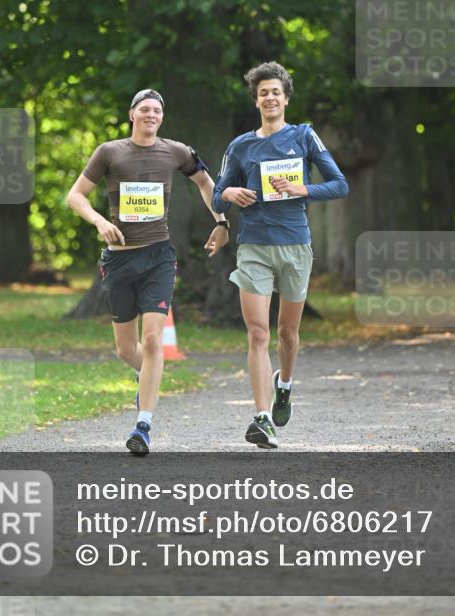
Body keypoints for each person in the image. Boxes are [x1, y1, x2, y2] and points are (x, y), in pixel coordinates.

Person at [67, 89, 229, 455]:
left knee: (154, 341)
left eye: (157, 110)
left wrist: (221, 221)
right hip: (119, 260)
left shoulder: (176, 151)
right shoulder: (109, 152)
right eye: (144, 109)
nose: (151, 115)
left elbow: (206, 183)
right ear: (132, 114)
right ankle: (150, 379)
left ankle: (143, 426)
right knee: (127, 349)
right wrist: (99, 222)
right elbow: (75, 196)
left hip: (158, 257)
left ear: (162, 117)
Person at [212, 62, 348, 449]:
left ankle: (284, 384)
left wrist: (303, 189)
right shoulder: (240, 146)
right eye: (263, 93)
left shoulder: (304, 136)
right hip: (254, 245)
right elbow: (217, 194)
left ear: (286, 98)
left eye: (275, 92)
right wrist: (229, 193)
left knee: (287, 334)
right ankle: (262, 418)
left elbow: (340, 185)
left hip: (295, 245)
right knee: (258, 333)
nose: (269, 97)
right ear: (256, 101)